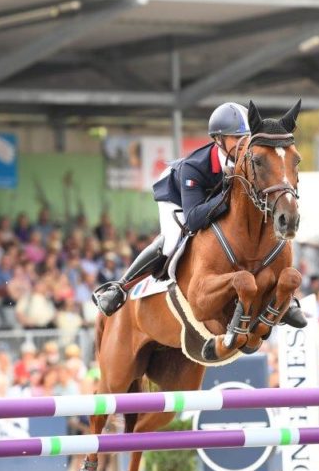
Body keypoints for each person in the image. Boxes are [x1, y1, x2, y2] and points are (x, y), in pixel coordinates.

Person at [92, 102, 306, 329]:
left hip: (216, 199)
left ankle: (285, 300)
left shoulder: (251, 160)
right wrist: (228, 196)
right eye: (237, 138)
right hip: (179, 198)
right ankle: (119, 287)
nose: (244, 143)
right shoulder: (194, 167)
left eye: (246, 137)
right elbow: (193, 217)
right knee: (171, 241)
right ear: (219, 140)